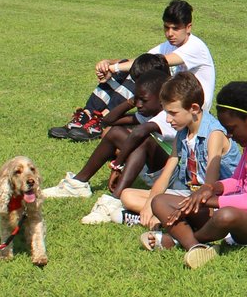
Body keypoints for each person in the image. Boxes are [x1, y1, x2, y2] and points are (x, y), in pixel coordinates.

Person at [148, 81, 247, 270]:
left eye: (232, 128)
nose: (229, 134)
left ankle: (178, 240)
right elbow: (237, 181)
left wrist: (205, 201)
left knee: (225, 216)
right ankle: (195, 247)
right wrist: (209, 189)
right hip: (242, 210)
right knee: (160, 202)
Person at [50, 0, 216, 141]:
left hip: (189, 108)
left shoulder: (196, 47)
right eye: (166, 28)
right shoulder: (169, 45)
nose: (169, 33)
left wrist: (115, 67)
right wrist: (109, 64)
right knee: (128, 68)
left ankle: (101, 121)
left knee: (141, 73)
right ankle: (87, 115)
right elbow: (138, 60)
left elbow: (151, 63)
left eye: (175, 28)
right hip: (172, 99)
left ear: (188, 27)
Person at [129, 73, 240, 240]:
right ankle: (164, 218)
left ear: (194, 108)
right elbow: (166, 174)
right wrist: (149, 205)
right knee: (129, 195)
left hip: (214, 201)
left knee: (164, 205)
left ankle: (166, 223)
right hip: (191, 195)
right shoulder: (182, 133)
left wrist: (157, 207)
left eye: (173, 113)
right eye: (166, 112)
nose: (168, 119)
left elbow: (209, 187)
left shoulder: (214, 134)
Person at [42, 55, 168, 200]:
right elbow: (108, 120)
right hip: (150, 168)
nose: (137, 91)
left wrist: (118, 165)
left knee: (142, 140)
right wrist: (131, 102)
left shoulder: (169, 114)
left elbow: (139, 133)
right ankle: (78, 183)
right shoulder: (148, 109)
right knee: (114, 132)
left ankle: (114, 199)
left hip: (167, 175)